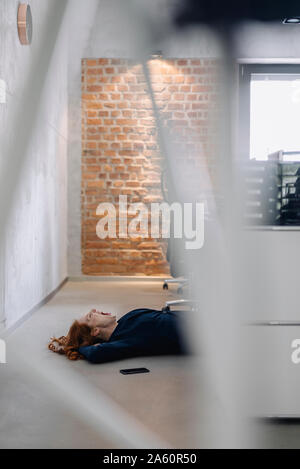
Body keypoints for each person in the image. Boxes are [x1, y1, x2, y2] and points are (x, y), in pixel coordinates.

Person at [48, 307, 190, 363]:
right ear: (95, 331)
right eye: (91, 316)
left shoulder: (125, 320)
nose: (96, 310)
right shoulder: (125, 339)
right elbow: (95, 353)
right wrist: (80, 347)